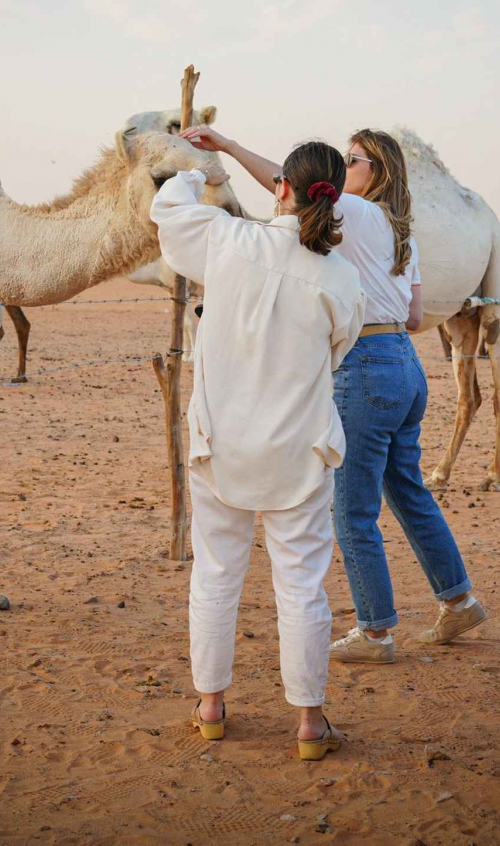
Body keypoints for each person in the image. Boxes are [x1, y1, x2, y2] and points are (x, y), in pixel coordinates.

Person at [180, 126, 485, 667]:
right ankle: (458, 599)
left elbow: (293, 183)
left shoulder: (358, 214)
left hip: (365, 369)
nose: (343, 167)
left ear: (378, 172)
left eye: (354, 159)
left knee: (352, 512)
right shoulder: (402, 233)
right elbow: (416, 317)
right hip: (405, 365)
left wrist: (229, 147)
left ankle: (375, 632)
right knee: (408, 491)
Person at [151, 142, 364, 761]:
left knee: (216, 574)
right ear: (334, 198)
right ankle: (309, 723)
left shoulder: (226, 241)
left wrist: (198, 171)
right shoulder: (341, 278)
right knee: (302, 585)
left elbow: (168, 210)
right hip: (299, 450)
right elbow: (339, 349)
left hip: (221, 445)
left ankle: (211, 708)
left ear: (281, 188)